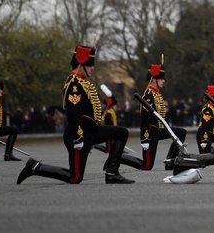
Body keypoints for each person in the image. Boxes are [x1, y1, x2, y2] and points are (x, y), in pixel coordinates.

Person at [16, 45, 135, 184]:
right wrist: (78, 138)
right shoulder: (74, 85)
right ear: (80, 65)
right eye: (89, 65)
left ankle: (112, 173)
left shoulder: (82, 82)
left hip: (92, 130)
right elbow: (73, 115)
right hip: (78, 134)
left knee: (122, 133)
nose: (92, 68)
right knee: (75, 177)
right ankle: (35, 167)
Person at [138, 62, 186, 171]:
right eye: (161, 78)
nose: (164, 81)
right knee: (147, 166)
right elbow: (144, 119)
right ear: (154, 79)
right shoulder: (148, 95)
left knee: (181, 132)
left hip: (160, 129)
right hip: (151, 132)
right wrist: (144, 139)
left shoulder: (156, 93)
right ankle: (120, 159)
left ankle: (170, 161)